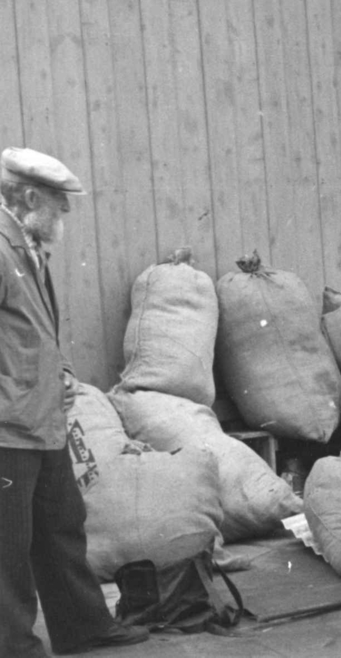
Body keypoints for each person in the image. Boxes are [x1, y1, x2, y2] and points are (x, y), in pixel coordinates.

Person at [1, 147, 150, 657]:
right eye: (59, 205)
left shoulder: (27, 248)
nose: (65, 215)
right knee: (6, 550)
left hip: (41, 420)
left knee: (61, 528)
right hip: (8, 426)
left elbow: (35, 330)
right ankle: (13, 645)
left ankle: (83, 627)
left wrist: (61, 371)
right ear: (28, 197)